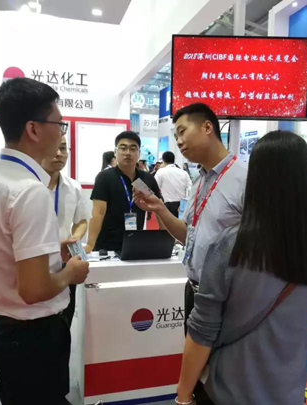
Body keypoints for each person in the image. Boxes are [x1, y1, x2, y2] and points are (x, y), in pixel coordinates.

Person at [175, 131, 307, 405]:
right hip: (289, 392)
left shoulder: (231, 246)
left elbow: (202, 332)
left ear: (256, 180)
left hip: (229, 390)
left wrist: (183, 395)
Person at [0, 77, 90, 405]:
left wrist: (52, 254)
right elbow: (34, 290)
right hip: (32, 337)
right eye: (59, 124)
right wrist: (70, 273)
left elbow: (0, 251)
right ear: (33, 129)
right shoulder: (30, 191)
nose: (61, 134)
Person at [133, 103, 247, 400]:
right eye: (176, 135)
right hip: (194, 289)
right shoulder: (198, 182)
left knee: (223, 378)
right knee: (199, 376)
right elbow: (189, 236)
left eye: (182, 132)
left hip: (227, 297)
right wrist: (160, 209)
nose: (179, 141)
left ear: (208, 127)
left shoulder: (245, 179)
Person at [85, 131, 163, 253]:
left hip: (135, 244)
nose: (127, 153)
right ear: (115, 152)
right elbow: (98, 213)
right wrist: (90, 244)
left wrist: (167, 239)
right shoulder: (104, 177)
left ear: (138, 153)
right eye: (123, 148)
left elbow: (160, 209)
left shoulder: (146, 178)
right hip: (107, 247)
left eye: (133, 149)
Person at [41, 136, 90, 328]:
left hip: (65, 263)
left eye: (63, 148)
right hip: (36, 262)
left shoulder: (73, 187)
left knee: (64, 320)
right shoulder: (28, 187)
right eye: (54, 147)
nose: (59, 154)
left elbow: (82, 220)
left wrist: (75, 238)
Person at [155, 151, 192, 218]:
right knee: (181, 223)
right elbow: (190, 188)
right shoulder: (183, 173)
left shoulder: (161, 172)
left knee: (167, 224)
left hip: (168, 205)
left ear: (163, 160)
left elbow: (155, 187)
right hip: (182, 205)